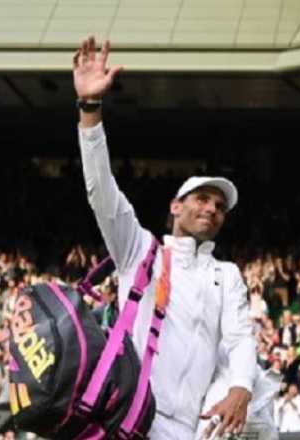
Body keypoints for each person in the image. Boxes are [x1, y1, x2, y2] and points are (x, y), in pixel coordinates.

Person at [73, 36, 257, 439]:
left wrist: (242, 387)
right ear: (176, 206)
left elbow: (241, 338)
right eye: (202, 199)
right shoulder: (138, 249)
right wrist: (90, 111)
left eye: (220, 207)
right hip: (132, 420)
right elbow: (101, 191)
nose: (211, 209)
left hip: (193, 430)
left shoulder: (227, 276)